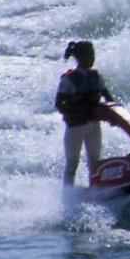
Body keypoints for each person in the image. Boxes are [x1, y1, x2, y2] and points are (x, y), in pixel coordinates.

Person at [55, 40, 113, 185]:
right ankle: (67, 196)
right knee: (72, 164)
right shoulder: (69, 79)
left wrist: (112, 116)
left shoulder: (96, 76)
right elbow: (59, 104)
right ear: (79, 58)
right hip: (75, 127)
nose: (92, 58)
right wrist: (75, 113)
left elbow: (109, 98)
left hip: (94, 125)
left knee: (95, 163)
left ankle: (96, 191)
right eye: (89, 55)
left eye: (93, 55)